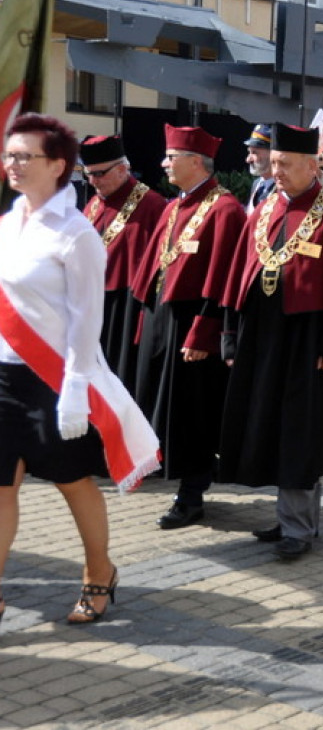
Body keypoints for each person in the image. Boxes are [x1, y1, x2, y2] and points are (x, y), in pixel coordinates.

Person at [0, 113, 159, 626]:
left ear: (58, 166)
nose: (13, 165)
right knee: (2, 486)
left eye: (25, 156)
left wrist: (73, 389)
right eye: (9, 155)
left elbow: (87, 321)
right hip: (4, 377)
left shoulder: (76, 235)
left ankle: (99, 569)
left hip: (55, 381)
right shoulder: (6, 225)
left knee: (73, 482)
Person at [217, 123, 323, 559]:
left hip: (310, 340)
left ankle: (299, 528)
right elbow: (238, 275)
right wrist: (230, 337)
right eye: (274, 162)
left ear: (310, 164)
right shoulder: (264, 207)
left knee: (303, 432)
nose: (275, 170)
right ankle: (289, 518)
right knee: (270, 426)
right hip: (264, 338)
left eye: (285, 164)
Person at [132, 124, 247, 529]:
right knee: (163, 407)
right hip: (163, 321)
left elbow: (223, 282)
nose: (163, 163)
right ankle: (177, 474)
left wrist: (204, 332)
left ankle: (192, 494)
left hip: (193, 328)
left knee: (193, 412)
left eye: (171, 157)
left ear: (195, 162)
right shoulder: (173, 205)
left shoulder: (225, 209)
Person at [79, 134, 166, 395]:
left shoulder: (152, 204)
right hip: (92, 302)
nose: (93, 181)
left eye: (99, 174)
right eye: (88, 174)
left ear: (122, 169)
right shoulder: (94, 203)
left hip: (127, 307)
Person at [243, 124, 275, 215]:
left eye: (254, 153)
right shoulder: (256, 184)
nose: (248, 159)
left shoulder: (283, 188)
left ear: (272, 154)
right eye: (249, 152)